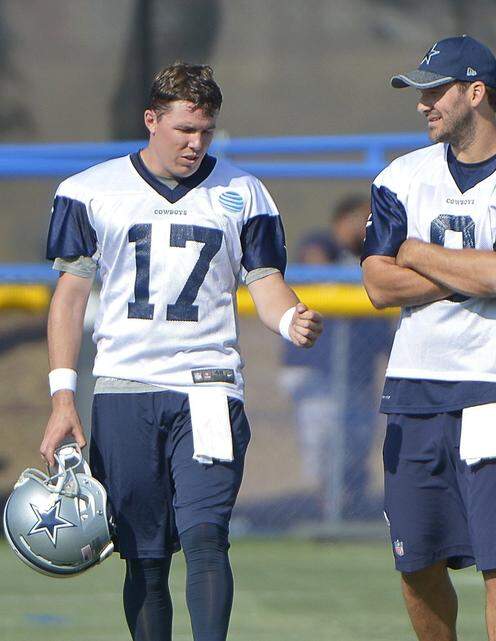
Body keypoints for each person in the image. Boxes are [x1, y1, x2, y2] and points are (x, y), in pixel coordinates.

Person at [38, 62, 323, 641]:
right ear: (151, 120)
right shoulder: (90, 190)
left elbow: (265, 284)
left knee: (205, 533)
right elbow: (69, 301)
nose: (196, 145)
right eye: (184, 130)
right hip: (124, 387)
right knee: (143, 553)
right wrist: (63, 395)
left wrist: (290, 316)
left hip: (209, 387)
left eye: (206, 132)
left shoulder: (243, 192)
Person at [360, 35, 496, 641]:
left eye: (436, 91)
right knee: (414, 558)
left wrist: (417, 252)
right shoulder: (402, 175)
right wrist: (474, 276)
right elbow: (378, 283)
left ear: (476, 92)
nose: (423, 104)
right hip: (415, 381)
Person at [279, 195, 393, 516]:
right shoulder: (321, 243)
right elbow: (315, 267)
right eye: (363, 218)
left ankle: (347, 507)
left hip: (357, 376)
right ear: (344, 219)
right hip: (317, 369)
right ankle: (325, 509)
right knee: (324, 443)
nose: (369, 225)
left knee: (356, 444)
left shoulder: (372, 257)